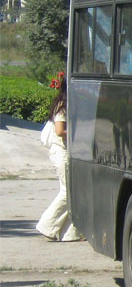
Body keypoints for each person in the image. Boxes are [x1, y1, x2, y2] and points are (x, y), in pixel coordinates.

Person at [36, 75, 82, 242]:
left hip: (64, 153)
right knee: (66, 192)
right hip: (60, 153)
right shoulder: (62, 106)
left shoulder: (66, 104)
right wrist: (81, 132)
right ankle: (47, 225)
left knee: (72, 192)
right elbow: (59, 130)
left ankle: (68, 234)